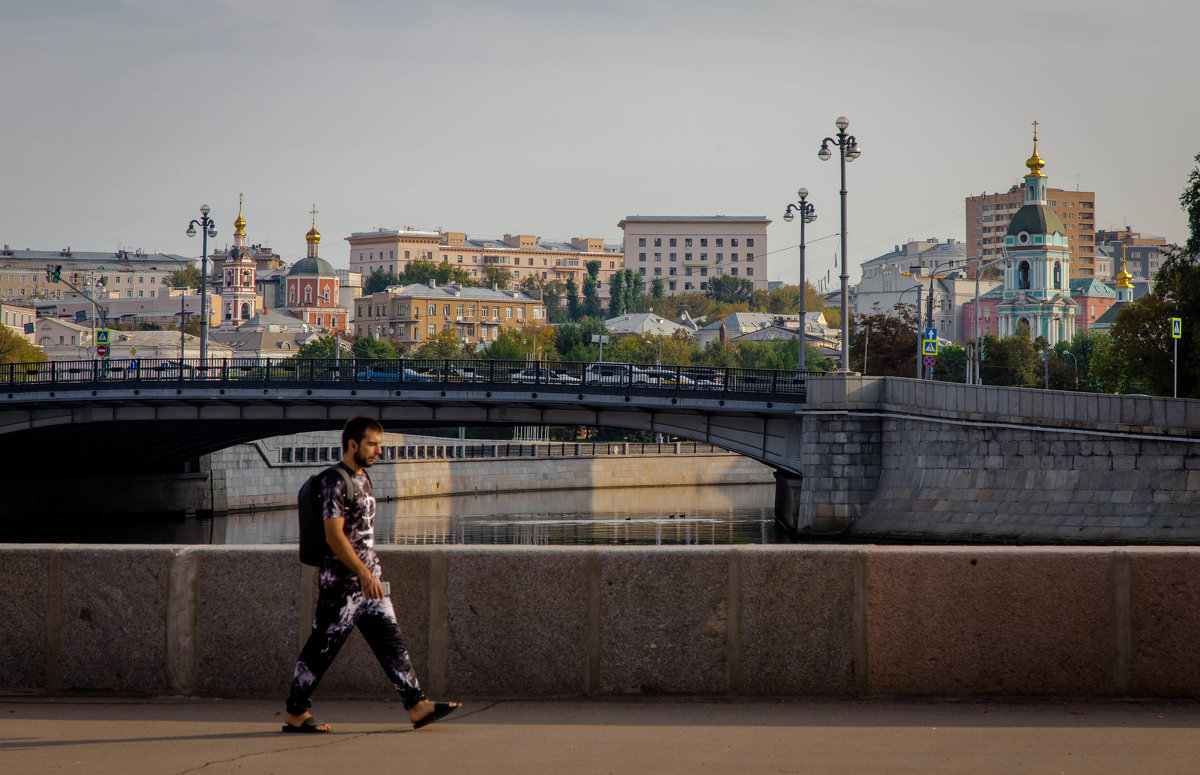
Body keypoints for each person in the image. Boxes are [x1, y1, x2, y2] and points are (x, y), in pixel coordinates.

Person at [282, 416, 459, 733]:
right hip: (342, 585)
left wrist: (371, 575)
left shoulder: (363, 479)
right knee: (321, 649)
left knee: (392, 644)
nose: (379, 450)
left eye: (380, 443)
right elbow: (335, 536)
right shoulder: (334, 482)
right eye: (373, 444)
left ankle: (417, 704)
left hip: (370, 585)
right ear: (353, 444)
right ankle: (295, 712)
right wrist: (363, 573)